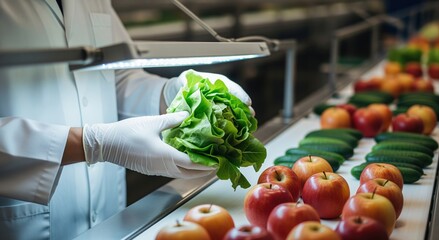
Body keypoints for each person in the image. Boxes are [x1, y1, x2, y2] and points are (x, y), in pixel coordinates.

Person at [0, 1, 252, 239]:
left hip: (113, 220)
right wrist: (93, 143)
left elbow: (116, 76)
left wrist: (171, 94)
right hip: (25, 224)